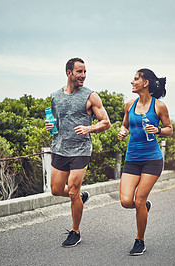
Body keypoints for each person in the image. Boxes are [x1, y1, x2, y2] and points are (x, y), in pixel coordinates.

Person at [45, 57, 111, 247]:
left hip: (81, 150)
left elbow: (105, 122)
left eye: (85, 72)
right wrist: (50, 126)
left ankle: (75, 231)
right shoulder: (55, 96)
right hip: (60, 148)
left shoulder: (91, 96)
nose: (83, 76)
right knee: (56, 190)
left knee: (73, 190)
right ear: (69, 73)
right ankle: (81, 197)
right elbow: (57, 123)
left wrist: (89, 129)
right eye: (79, 72)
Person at [118, 68, 173, 255]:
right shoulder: (129, 105)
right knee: (126, 201)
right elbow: (125, 125)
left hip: (152, 159)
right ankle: (144, 207)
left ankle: (139, 240)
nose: (132, 82)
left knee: (139, 199)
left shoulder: (159, 106)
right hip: (132, 158)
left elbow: (169, 129)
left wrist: (157, 131)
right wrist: (123, 131)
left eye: (135, 79)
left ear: (145, 83)